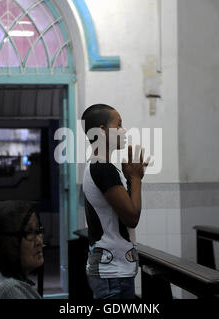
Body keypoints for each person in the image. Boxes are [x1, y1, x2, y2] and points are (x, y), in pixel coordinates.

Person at [81, 104, 149, 299]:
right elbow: (131, 217)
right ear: (102, 131)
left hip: (112, 270)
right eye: (118, 125)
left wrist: (130, 177)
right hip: (112, 274)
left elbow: (122, 211)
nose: (124, 130)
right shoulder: (103, 168)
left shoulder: (96, 165)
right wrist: (135, 178)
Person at [0, 200, 44, 299]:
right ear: (7, 243)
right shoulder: (9, 289)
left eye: (38, 231)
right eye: (28, 233)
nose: (39, 241)